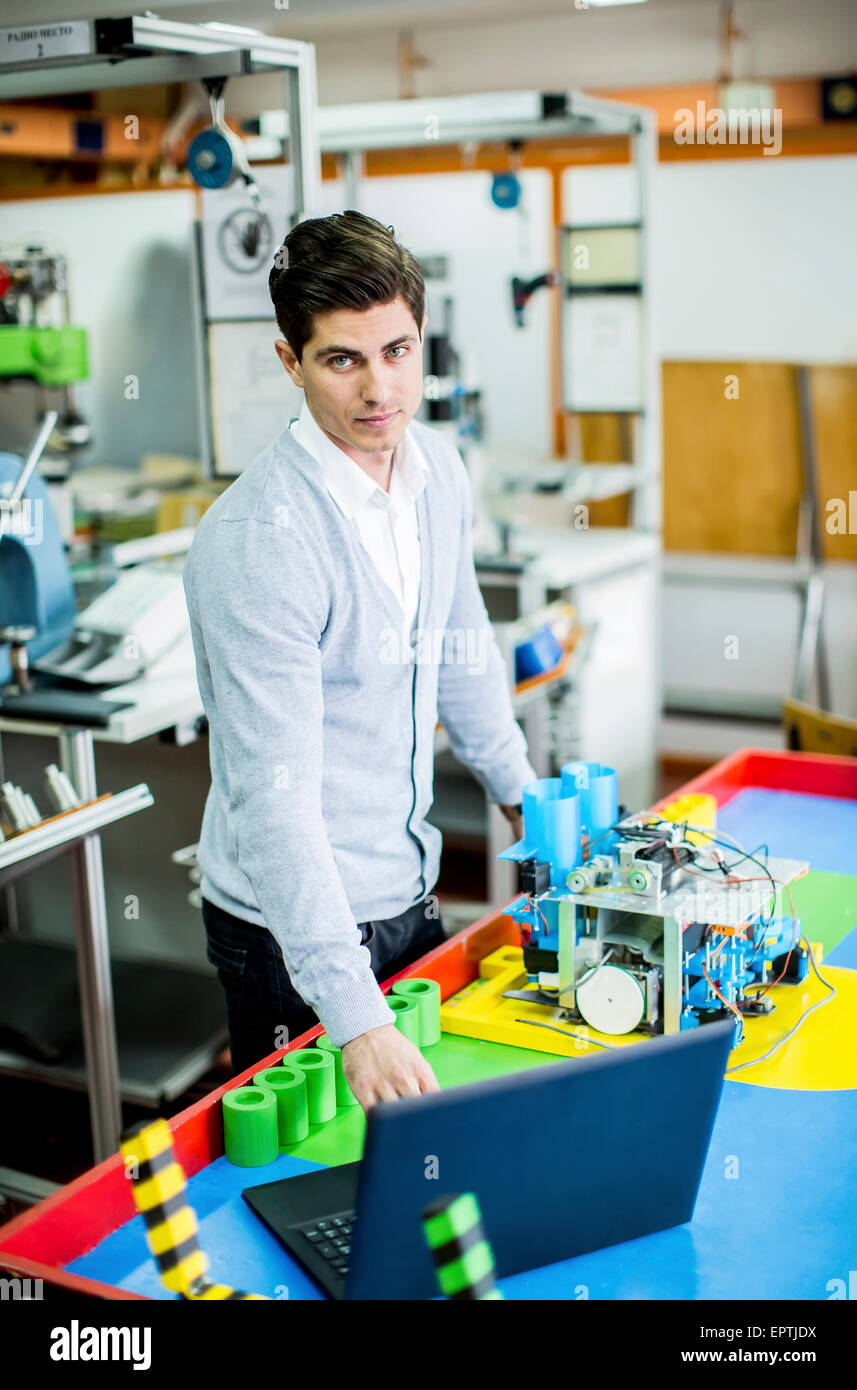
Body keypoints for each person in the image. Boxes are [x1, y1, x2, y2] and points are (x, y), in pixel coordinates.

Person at [183, 210, 535, 1110]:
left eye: (399, 349)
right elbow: (276, 800)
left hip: (407, 890)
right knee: (304, 1185)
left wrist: (530, 806)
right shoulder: (263, 541)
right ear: (290, 362)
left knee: (420, 1154)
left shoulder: (437, 470)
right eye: (344, 359)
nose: (381, 389)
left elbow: (464, 653)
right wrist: (355, 1015)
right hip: (287, 933)